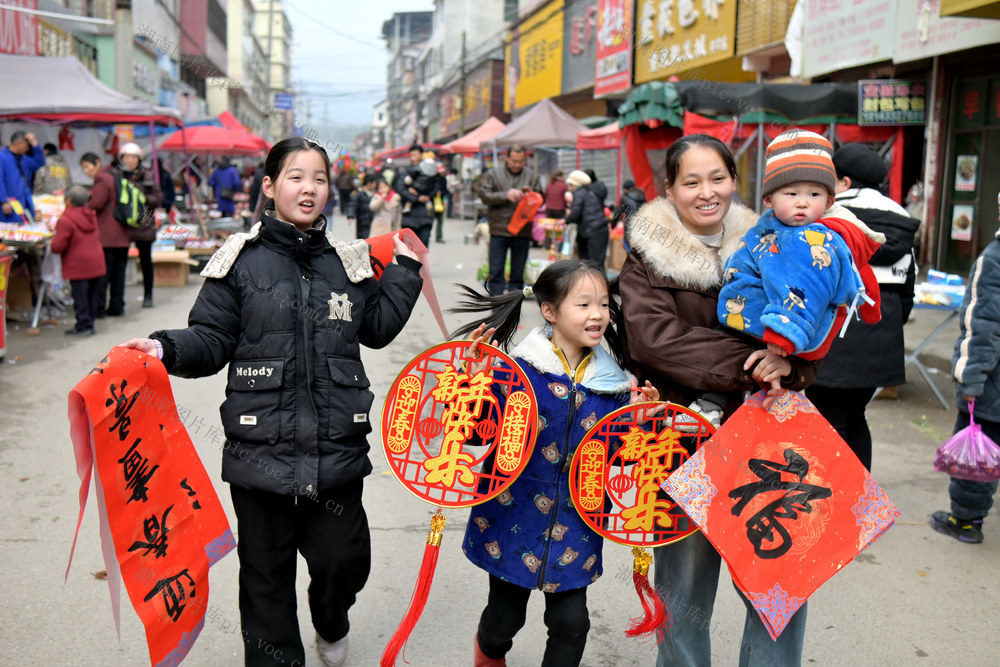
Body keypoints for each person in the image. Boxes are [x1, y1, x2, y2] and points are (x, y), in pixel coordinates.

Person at [118, 137, 424, 667]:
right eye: (295, 177)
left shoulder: (346, 265)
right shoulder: (239, 262)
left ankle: (332, 621)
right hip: (261, 453)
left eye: (319, 178)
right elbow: (209, 339)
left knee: (342, 561)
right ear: (269, 186)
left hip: (336, 451)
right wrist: (164, 347)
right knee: (265, 580)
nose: (309, 188)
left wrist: (404, 272)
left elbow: (374, 330)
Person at [617, 134, 820, 667]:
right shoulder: (647, 259)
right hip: (682, 437)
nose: (707, 192)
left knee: (779, 584)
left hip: (770, 442)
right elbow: (654, 340)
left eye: (718, 178)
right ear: (670, 188)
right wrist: (756, 364)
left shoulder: (779, 242)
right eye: (692, 181)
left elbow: (813, 325)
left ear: (735, 181)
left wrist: (796, 361)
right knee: (684, 588)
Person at [450, 260, 660, 666]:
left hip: (577, 523)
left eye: (603, 304)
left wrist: (638, 425)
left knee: (572, 624)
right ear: (549, 311)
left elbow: (617, 458)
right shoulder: (517, 372)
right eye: (583, 304)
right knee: (503, 619)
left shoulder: (615, 386)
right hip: (511, 514)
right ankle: (488, 652)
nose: (597, 314)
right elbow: (476, 434)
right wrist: (471, 383)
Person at [717, 130, 881, 361]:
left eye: (814, 194)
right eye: (791, 193)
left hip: (789, 335)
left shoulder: (820, 237)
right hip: (764, 332)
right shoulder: (772, 225)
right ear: (769, 200)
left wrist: (784, 335)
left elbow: (814, 281)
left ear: (829, 201)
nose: (802, 202)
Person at [805, 142, 921, 470]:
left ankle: (831, 508)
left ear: (843, 182)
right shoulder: (902, 222)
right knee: (856, 416)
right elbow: (908, 292)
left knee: (826, 423)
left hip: (829, 339)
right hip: (880, 339)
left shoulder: (828, 216)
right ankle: (858, 500)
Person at [930, 192, 1000, 545]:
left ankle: (966, 521)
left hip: (992, 388)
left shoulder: (995, 260)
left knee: (978, 458)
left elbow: (982, 327)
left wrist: (970, 380)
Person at [479, 145, 541, 295]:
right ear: (507, 158)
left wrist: (529, 196)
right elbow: (484, 195)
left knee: (517, 275)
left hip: (522, 231)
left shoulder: (532, 176)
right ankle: (497, 308)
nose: (517, 165)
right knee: (496, 272)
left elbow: (540, 197)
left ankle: (513, 309)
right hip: (499, 230)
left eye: (521, 161)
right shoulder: (493, 174)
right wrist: (505, 195)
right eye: (514, 161)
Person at [49, 184, 105, 336]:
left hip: (78, 263)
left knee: (80, 296)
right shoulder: (91, 215)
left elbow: (57, 246)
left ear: (68, 201)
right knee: (92, 294)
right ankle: (90, 323)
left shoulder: (66, 219)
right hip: (96, 260)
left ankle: (83, 326)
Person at [80, 152, 130, 318]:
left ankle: (99, 309)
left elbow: (97, 203)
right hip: (122, 233)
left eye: (87, 166)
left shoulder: (102, 178)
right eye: (83, 168)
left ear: (97, 162)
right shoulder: (116, 175)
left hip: (108, 235)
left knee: (103, 274)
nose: (86, 171)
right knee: (118, 273)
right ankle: (117, 307)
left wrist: (84, 207)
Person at [118, 142, 163, 309]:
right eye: (127, 157)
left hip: (144, 224)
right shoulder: (119, 176)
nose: (130, 161)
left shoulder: (148, 176)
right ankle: (118, 300)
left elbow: (157, 199)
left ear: (139, 159)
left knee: (145, 262)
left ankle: (148, 295)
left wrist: (139, 194)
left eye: (133, 157)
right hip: (123, 225)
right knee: (120, 264)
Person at [565, 170, 610, 269]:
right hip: (599, 229)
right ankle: (598, 284)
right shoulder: (591, 191)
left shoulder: (580, 193)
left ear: (575, 184)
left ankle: (597, 284)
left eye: (570, 184)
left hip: (591, 230)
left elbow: (575, 213)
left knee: (590, 265)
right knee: (596, 264)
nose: (569, 187)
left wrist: (565, 220)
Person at [396, 145, 437, 246]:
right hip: (409, 216)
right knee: (409, 248)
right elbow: (400, 188)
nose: (413, 158)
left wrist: (426, 196)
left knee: (423, 246)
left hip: (426, 216)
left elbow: (436, 188)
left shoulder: (431, 171)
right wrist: (417, 198)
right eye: (411, 155)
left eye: (415, 155)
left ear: (421, 155)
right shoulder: (406, 172)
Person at [0, 131, 44, 222]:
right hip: (10, 202)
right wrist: (3, 201)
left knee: (25, 228)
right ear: (18, 144)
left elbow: (40, 162)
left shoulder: (24, 159)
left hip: (25, 201)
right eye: (27, 145)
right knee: (11, 231)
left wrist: (35, 144)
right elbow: (0, 180)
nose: (28, 149)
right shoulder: (2, 157)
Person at [346, 172, 375, 239]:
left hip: (372, 219)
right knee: (363, 238)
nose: (375, 185)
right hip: (362, 220)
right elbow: (353, 204)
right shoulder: (359, 193)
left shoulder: (375, 193)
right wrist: (350, 215)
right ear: (369, 184)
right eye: (373, 183)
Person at [433, 162, 448, 243]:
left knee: (440, 221)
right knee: (430, 221)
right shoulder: (433, 180)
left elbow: (445, 192)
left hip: (440, 202)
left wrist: (445, 201)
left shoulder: (443, 180)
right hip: (432, 202)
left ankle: (439, 236)